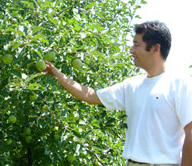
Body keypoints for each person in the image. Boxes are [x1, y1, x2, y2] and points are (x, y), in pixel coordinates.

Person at [45, 21, 192, 166]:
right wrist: (57, 74)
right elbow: (91, 95)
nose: (131, 50)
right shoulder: (132, 85)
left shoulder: (180, 85)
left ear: (155, 49)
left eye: (136, 44)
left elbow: (190, 133)